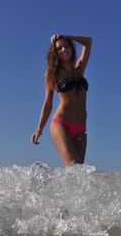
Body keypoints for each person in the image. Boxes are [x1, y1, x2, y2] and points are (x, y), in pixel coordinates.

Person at [31, 34, 92, 166]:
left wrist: (66, 36)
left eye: (66, 46)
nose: (64, 50)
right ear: (55, 53)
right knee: (73, 164)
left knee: (79, 173)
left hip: (81, 127)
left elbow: (88, 41)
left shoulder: (79, 69)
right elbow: (48, 104)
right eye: (59, 48)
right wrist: (39, 129)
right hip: (61, 123)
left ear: (71, 48)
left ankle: (50, 185)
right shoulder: (52, 74)